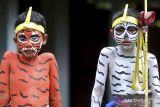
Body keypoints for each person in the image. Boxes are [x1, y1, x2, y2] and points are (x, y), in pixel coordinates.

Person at [91, 5, 160, 107]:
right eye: (120, 30)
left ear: (140, 32)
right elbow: (98, 89)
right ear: (112, 34)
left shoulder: (149, 59)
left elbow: (156, 94)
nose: (126, 36)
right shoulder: (108, 54)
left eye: (132, 30)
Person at [0, 7, 62, 107]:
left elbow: (55, 96)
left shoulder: (49, 60)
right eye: (22, 38)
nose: (28, 44)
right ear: (15, 41)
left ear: (44, 39)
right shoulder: (9, 59)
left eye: (34, 38)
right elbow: (2, 95)